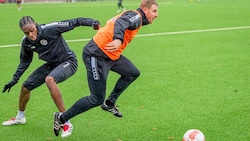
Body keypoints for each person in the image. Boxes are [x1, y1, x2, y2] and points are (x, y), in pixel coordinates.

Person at [53, 0, 159, 138]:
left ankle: (109, 103)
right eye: (154, 11)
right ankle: (60, 118)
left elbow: (119, 22)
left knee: (132, 73)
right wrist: (118, 39)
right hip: (96, 54)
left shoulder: (136, 17)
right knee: (96, 98)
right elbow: (121, 23)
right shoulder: (137, 16)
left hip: (110, 55)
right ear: (145, 10)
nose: (156, 15)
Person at [2, 16, 100, 138]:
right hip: (51, 65)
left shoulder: (51, 29)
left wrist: (92, 23)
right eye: (26, 33)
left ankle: (66, 122)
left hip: (68, 62)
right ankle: (20, 118)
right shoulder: (26, 42)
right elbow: (25, 62)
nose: (30, 35)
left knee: (49, 80)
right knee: (26, 87)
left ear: (35, 25)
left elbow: (74, 22)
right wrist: (14, 79)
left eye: (32, 30)